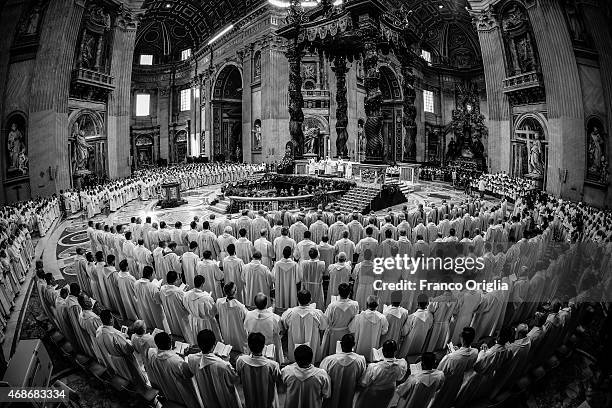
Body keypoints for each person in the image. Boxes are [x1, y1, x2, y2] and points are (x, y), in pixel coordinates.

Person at [454, 326, 513, 407]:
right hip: (488, 377)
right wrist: (487, 350)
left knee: (464, 396)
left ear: (499, 337)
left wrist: (482, 351)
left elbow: (476, 366)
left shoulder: (489, 353)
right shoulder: (508, 348)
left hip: (476, 377)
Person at [186, 329, 241, 408]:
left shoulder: (191, 359)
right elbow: (235, 379)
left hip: (206, 396)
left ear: (198, 344)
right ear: (214, 345)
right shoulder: (223, 365)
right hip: (224, 397)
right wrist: (227, 361)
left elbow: (192, 371)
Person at [144, 332, 200, 407]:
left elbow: (151, 351)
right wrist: (184, 357)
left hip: (168, 392)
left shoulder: (153, 357)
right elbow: (189, 374)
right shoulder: (177, 361)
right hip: (182, 394)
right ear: (170, 343)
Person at [95, 309, 147, 388]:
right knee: (134, 377)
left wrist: (122, 336)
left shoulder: (99, 330)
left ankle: (128, 389)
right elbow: (129, 349)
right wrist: (127, 340)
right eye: (112, 317)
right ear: (111, 319)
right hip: (124, 360)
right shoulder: (115, 334)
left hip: (113, 358)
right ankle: (140, 389)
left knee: (123, 376)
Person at [429, 327, 478, 408]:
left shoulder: (450, 357)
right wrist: (458, 351)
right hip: (458, 380)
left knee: (438, 401)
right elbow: (466, 363)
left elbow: (439, 372)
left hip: (446, 382)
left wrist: (450, 354)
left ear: (462, 339)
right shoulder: (475, 352)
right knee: (449, 399)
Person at [354, 340, 407, 408]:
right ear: (396, 351)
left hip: (374, 393)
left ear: (383, 351)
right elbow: (400, 378)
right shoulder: (401, 365)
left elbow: (364, 382)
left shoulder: (374, 367)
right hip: (390, 391)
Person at [236, 332, 282, 408]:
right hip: (267, 398)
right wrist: (269, 360)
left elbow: (239, 374)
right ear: (264, 347)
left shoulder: (241, 361)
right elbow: (278, 379)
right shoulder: (272, 365)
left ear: (249, 346)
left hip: (250, 396)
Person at [319, 334, 366, 408]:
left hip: (332, 393)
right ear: (353, 344)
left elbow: (322, 377)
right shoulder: (360, 360)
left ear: (340, 344)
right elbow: (361, 378)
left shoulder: (329, 360)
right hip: (349, 392)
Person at [281, 289, 328, 363]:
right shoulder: (316, 313)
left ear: (298, 299)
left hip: (294, 341)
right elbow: (323, 326)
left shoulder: (290, 313)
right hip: (312, 343)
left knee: (295, 360)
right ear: (310, 299)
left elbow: (284, 325)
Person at [320, 283, 359, 357]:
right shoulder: (355, 305)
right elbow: (355, 320)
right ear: (349, 293)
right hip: (347, 333)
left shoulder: (333, 305)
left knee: (333, 354)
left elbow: (325, 321)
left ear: (339, 292)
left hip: (334, 333)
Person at [244, 293, 283, 363]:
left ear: (255, 304)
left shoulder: (249, 315)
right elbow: (278, 331)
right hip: (269, 348)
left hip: (254, 346)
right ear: (267, 303)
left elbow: (246, 328)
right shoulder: (274, 317)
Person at [349, 295, 389, 362]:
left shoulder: (359, 316)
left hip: (360, 346)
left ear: (367, 304)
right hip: (373, 347)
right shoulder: (382, 317)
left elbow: (351, 328)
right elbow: (384, 331)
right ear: (377, 305)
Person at [183, 275, 222, 343]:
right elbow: (214, 311)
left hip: (193, 320)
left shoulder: (187, 295)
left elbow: (185, 306)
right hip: (206, 323)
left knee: (197, 340)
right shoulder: (206, 298)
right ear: (202, 284)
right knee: (208, 341)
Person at [159, 271, 193, 343]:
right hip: (180, 316)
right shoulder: (178, 292)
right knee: (186, 333)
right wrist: (185, 292)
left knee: (174, 329)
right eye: (178, 279)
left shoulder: (162, 289)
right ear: (175, 280)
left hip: (169, 314)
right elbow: (186, 303)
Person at [216, 282, 249, 353]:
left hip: (226, 330)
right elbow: (247, 319)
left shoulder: (219, 302)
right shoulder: (240, 307)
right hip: (238, 332)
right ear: (235, 292)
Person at [134, 265, 167, 331]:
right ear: (150, 275)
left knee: (148, 324)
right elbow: (158, 301)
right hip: (154, 310)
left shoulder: (136, 283)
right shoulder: (152, 286)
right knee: (158, 326)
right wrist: (158, 290)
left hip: (143, 308)